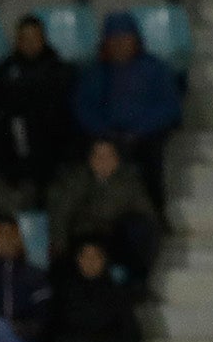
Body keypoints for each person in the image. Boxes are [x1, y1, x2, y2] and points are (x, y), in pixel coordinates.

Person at [72, 12, 184, 217]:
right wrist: (104, 132)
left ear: (135, 40)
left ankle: (154, 214)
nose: (119, 45)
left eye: (125, 39)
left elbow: (169, 107)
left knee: (151, 162)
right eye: (114, 40)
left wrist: (139, 130)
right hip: (105, 136)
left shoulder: (156, 70)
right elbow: (83, 107)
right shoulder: (94, 73)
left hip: (144, 136)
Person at [0, 15, 78, 207]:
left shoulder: (62, 72)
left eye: (34, 38)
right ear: (17, 40)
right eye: (24, 38)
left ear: (43, 39)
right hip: (14, 159)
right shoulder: (3, 73)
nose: (30, 43)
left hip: (55, 158)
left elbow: (70, 117)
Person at [46, 137, 159, 282]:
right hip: (81, 236)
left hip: (112, 236)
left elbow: (147, 212)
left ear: (117, 159)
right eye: (97, 156)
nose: (102, 161)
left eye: (108, 156)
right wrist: (59, 244)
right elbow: (61, 212)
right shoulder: (76, 179)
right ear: (90, 159)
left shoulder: (129, 183)